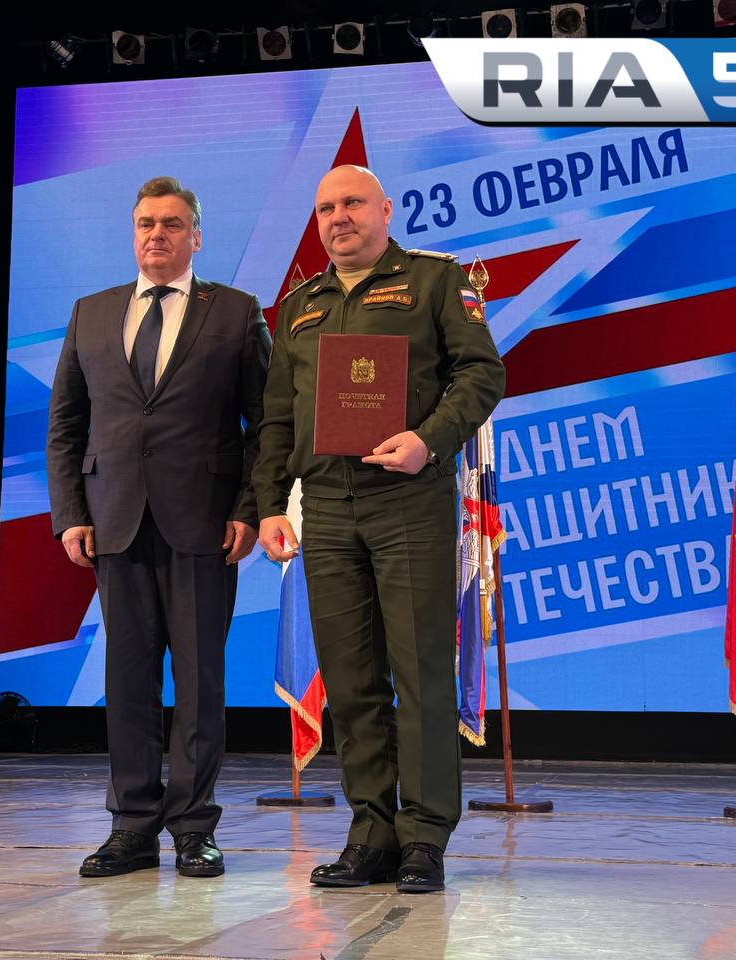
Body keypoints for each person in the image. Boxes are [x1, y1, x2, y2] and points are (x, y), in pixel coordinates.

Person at [253, 165, 505, 894]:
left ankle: (425, 836)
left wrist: (430, 439)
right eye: (325, 207)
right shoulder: (299, 305)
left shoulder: (436, 281)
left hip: (408, 502)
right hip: (326, 508)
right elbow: (277, 418)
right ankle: (371, 832)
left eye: (353, 203)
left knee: (420, 674)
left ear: (386, 210)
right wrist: (270, 504)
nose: (339, 217)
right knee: (353, 682)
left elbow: (481, 375)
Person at [47, 176, 270, 879]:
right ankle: (132, 828)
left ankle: (195, 829)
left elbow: (267, 425)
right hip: (114, 524)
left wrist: (248, 509)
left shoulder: (235, 312)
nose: (157, 234)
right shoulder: (91, 313)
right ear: (133, 232)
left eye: (172, 224)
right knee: (128, 681)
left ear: (196, 236)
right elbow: (65, 425)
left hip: (204, 526)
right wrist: (70, 515)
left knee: (200, 687)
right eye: (146, 223)